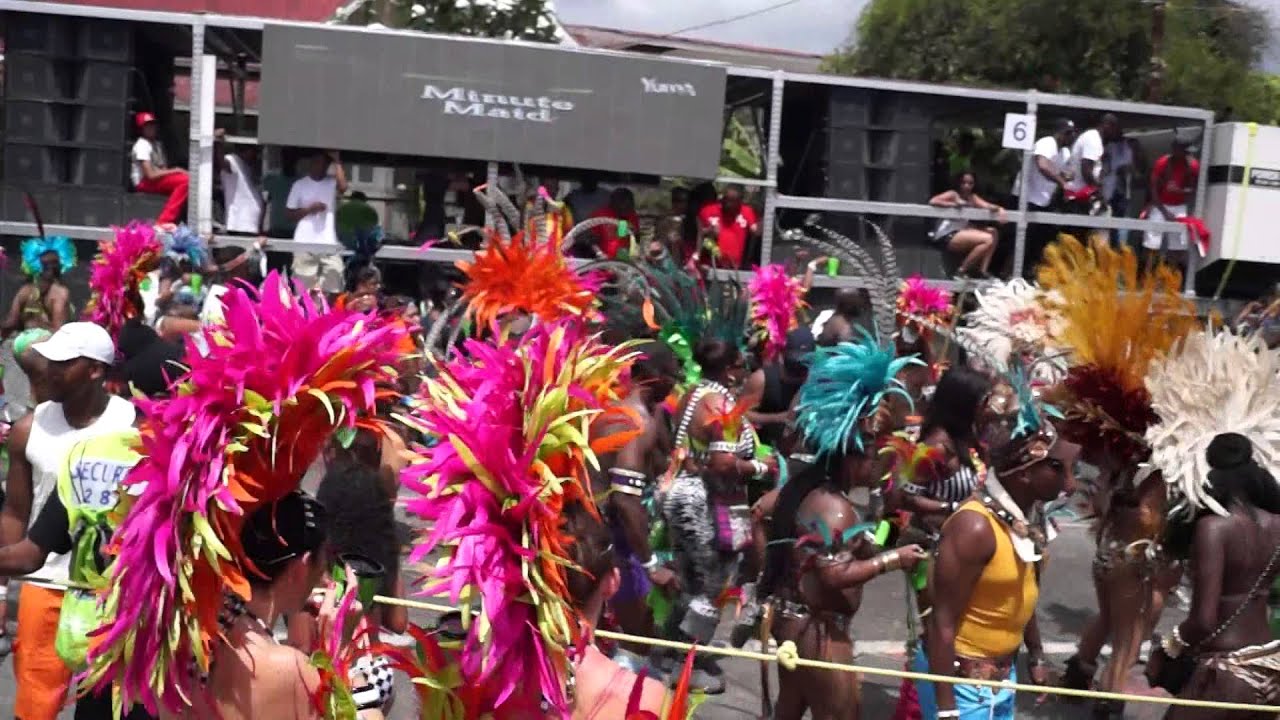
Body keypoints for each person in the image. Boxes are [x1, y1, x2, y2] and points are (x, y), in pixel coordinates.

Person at [759, 337, 929, 720]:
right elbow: (833, 574)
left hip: (797, 626)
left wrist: (881, 534)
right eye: (876, 454)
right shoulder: (833, 507)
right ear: (856, 455)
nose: (881, 463)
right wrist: (894, 560)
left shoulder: (812, 489)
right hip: (817, 634)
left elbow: (834, 553)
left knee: (789, 712)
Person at [915, 386, 1079, 720]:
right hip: (962, 688)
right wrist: (947, 710)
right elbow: (941, 622)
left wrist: (1036, 654)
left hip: (1000, 682)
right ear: (1025, 471)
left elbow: (1019, 591)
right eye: (1057, 468)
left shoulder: (1025, 519)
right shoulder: (975, 528)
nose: (1070, 484)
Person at [0, 323, 137, 720]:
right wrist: (1, 593)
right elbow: (15, 514)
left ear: (95, 370)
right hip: (44, 584)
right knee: (35, 707)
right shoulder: (28, 430)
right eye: (50, 361)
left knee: (106, 708)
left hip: (113, 596)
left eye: (63, 363)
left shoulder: (134, 426)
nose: (50, 370)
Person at [1141, 329, 1280, 719]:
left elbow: (1203, 619)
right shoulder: (1277, 524)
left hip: (1225, 673)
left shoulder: (1214, 528)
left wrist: (1167, 647)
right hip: (1270, 669)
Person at [662, 337, 776, 693]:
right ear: (729, 370)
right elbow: (724, 464)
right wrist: (762, 467)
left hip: (681, 494)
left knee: (690, 580)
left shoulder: (691, 394)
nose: (744, 374)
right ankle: (688, 664)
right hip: (703, 503)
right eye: (741, 367)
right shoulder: (719, 404)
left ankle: (672, 652)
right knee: (713, 586)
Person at [592, 341, 681, 675]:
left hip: (601, 537)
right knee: (638, 638)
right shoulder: (634, 422)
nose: (675, 384)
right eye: (673, 375)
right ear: (656, 376)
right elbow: (625, 500)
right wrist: (650, 564)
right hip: (612, 541)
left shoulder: (621, 411)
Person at [742, 327, 814, 457]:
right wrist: (778, 418)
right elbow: (739, 415)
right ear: (781, 356)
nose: (798, 369)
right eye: (793, 363)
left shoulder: (815, 383)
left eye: (804, 364)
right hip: (764, 454)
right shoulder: (761, 380)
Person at [1017, 118, 1075, 277]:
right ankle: (1009, 273)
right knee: (1021, 239)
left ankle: (1029, 272)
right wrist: (1062, 182)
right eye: (1068, 133)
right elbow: (1042, 165)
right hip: (1027, 198)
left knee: (1041, 239)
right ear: (1059, 133)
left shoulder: (1065, 152)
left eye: (1072, 134)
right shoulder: (1046, 143)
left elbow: (1063, 171)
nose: (1071, 137)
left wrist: (1068, 177)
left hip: (1044, 201)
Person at [286, 150, 349, 298]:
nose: (321, 166)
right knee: (303, 291)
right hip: (304, 242)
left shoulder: (331, 182)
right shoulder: (299, 185)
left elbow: (343, 187)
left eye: (325, 164)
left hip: (329, 242)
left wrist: (337, 161)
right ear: (311, 163)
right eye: (318, 162)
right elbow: (289, 214)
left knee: (334, 285)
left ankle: (326, 311)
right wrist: (309, 209)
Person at [929, 172, 1006, 278]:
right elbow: (933, 201)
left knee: (993, 232)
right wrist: (953, 204)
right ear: (958, 183)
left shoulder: (972, 197)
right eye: (963, 183)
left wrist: (1000, 209)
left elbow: (987, 206)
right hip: (946, 234)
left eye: (970, 183)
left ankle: (983, 270)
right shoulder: (953, 194)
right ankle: (961, 271)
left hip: (961, 231)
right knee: (987, 239)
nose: (967, 186)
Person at [1143, 136, 1200, 268]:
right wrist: (1164, 212)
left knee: (1178, 245)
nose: (1188, 155)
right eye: (1185, 151)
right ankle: (1148, 274)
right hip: (1160, 205)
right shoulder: (1162, 163)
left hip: (1179, 206)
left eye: (1189, 152)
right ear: (1175, 150)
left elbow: (1194, 189)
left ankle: (1170, 275)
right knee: (1152, 243)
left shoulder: (1193, 165)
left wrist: (1180, 190)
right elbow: (1153, 190)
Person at [2, 236, 75, 335]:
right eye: (46, 265)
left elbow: (58, 333)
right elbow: (10, 324)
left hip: (50, 342)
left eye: (54, 264)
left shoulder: (59, 294)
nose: (50, 269)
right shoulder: (25, 291)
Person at [130, 112, 189, 227]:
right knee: (185, 180)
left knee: (187, 180)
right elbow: (150, 175)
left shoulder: (156, 145)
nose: (151, 128)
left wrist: (176, 173)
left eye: (153, 125)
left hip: (156, 180)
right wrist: (176, 170)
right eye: (147, 126)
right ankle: (164, 221)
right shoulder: (142, 145)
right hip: (144, 182)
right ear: (141, 129)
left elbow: (163, 169)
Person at [698, 184, 760, 269]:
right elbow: (699, 235)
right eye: (726, 199)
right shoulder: (708, 210)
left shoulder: (746, 211)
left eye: (733, 201)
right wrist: (709, 231)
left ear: (740, 201)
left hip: (735, 267)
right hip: (711, 265)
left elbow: (756, 231)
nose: (729, 204)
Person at [215, 130, 264, 235]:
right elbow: (223, 163)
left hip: (250, 226)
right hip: (239, 225)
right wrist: (219, 143)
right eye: (254, 150)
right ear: (245, 150)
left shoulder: (247, 167)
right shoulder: (233, 160)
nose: (257, 155)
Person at [587, 188, 641, 260]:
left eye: (630, 205)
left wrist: (634, 235)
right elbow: (591, 241)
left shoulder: (631, 216)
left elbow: (635, 238)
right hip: (603, 260)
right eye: (625, 205)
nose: (629, 209)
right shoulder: (599, 215)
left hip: (624, 260)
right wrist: (599, 253)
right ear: (613, 203)